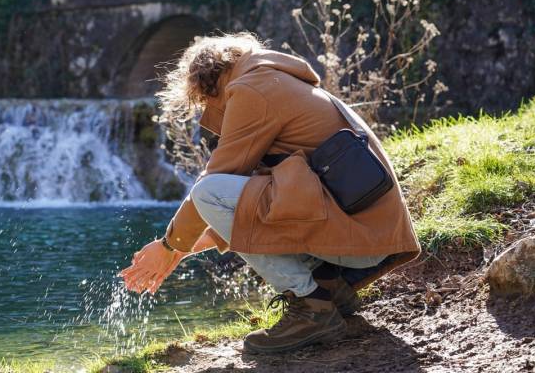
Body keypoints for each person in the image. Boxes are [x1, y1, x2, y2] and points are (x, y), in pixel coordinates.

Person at [120, 33, 421, 354]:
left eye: (205, 102)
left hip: (363, 238)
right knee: (223, 193)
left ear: (208, 84)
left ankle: (312, 308)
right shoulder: (272, 78)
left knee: (209, 189)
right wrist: (179, 251)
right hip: (370, 233)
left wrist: (170, 245)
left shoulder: (252, 90)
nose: (208, 110)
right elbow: (247, 208)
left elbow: (213, 188)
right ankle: (329, 287)